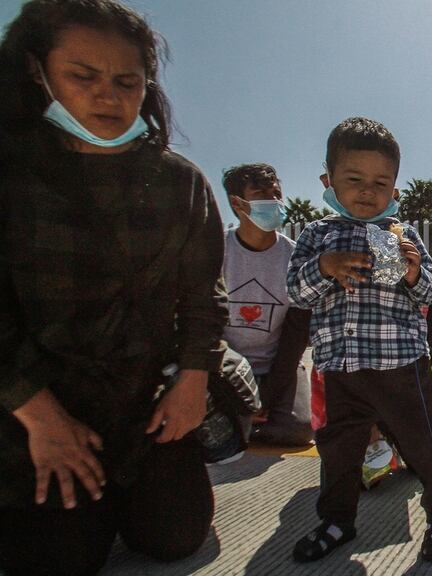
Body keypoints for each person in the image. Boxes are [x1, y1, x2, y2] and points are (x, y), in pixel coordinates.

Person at [0, 1, 228, 573]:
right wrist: (41, 418)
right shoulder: (12, 175)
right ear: (36, 70)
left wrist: (193, 380)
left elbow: (204, 297)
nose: (108, 96)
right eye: (83, 76)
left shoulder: (180, 183)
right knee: (55, 559)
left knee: (174, 538)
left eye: (127, 81)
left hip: (146, 407)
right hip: (34, 411)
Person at [286, 117, 432, 563]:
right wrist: (325, 266)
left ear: (395, 189)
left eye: (381, 182)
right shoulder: (317, 235)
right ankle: (337, 521)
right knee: (339, 453)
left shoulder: (402, 234)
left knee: (425, 446)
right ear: (329, 181)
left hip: (402, 369)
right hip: (342, 369)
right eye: (354, 179)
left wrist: (414, 270)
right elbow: (296, 293)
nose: (367, 191)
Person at [222, 163, 313, 446]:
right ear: (237, 203)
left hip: (277, 365)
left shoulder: (297, 257)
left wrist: (266, 396)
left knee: (299, 430)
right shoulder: (216, 251)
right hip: (225, 367)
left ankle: (244, 424)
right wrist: (235, 390)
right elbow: (203, 327)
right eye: (261, 193)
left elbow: (295, 337)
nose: (273, 201)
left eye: (276, 193)